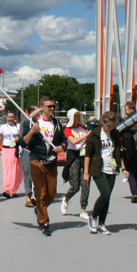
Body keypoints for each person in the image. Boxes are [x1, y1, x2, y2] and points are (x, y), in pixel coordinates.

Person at [22, 96, 67, 236]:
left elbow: (64, 141)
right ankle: (44, 222)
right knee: (40, 193)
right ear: (42, 107)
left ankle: (40, 209)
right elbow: (23, 143)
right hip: (36, 160)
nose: (52, 109)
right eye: (49, 106)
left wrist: (62, 147)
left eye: (53, 106)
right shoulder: (33, 123)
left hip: (51, 161)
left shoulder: (57, 124)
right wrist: (32, 131)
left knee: (51, 193)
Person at [83, 111, 122, 235]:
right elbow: (88, 154)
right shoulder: (94, 134)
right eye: (108, 126)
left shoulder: (115, 133)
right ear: (103, 122)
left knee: (108, 197)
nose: (110, 128)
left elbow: (118, 151)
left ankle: (102, 224)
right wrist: (86, 172)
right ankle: (93, 217)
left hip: (112, 168)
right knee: (105, 193)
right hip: (98, 168)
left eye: (112, 126)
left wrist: (123, 168)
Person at [60, 108, 91, 219]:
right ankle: (66, 199)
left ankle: (83, 210)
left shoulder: (83, 128)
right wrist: (86, 136)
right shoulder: (68, 129)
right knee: (75, 185)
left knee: (85, 184)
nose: (79, 118)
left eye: (79, 116)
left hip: (84, 156)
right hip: (73, 156)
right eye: (76, 116)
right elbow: (73, 141)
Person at [0, 111, 23, 198]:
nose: (10, 119)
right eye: (9, 117)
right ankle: (7, 189)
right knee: (7, 170)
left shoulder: (18, 126)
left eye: (12, 117)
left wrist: (18, 138)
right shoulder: (3, 127)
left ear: (14, 118)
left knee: (16, 170)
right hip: (6, 150)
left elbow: (22, 136)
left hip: (15, 150)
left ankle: (13, 189)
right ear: (6, 118)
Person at [19, 106, 38, 207]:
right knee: (27, 175)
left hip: (37, 152)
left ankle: (36, 195)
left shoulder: (39, 122)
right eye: (36, 111)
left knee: (37, 175)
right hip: (26, 151)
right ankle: (28, 197)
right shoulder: (25, 122)